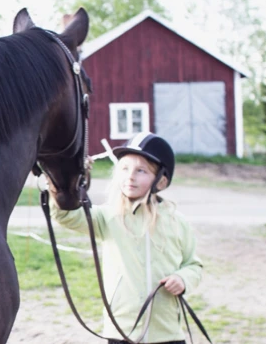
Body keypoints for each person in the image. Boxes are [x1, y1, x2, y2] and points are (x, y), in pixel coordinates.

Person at [50, 132, 203, 344]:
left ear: (161, 181)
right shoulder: (108, 216)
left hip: (166, 331)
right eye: (124, 169)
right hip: (121, 329)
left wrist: (183, 279)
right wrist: (63, 182)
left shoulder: (177, 222)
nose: (130, 176)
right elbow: (66, 216)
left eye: (141, 171)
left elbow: (193, 265)